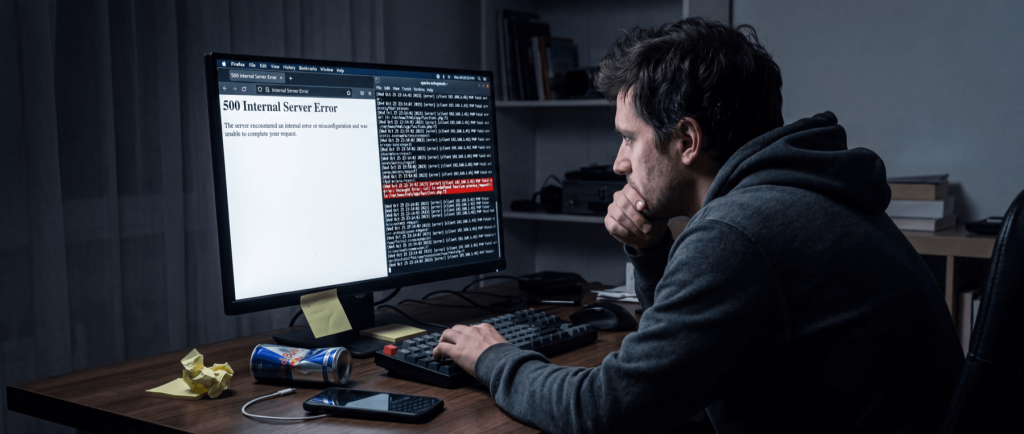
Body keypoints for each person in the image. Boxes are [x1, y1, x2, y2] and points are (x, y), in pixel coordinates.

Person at [433, 18, 964, 433]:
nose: (618, 163)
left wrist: (494, 357)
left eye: (629, 138)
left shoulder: (740, 231)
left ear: (687, 140)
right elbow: (692, 348)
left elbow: (604, 412)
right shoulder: (803, 193)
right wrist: (650, 251)